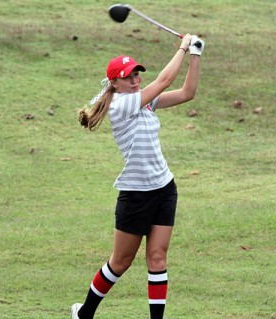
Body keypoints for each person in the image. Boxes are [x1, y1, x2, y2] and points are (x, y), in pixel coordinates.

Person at [72, 33, 205, 319]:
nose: (134, 80)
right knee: (120, 262)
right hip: (135, 195)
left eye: (136, 74)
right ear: (115, 83)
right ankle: (84, 313)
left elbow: (186, 93)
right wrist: (182, 47)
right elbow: (164, 82)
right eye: (127, 76)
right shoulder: (120, 105)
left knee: (157, 258)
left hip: (164, 189)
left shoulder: (144, 102)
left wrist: (195, 55)